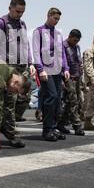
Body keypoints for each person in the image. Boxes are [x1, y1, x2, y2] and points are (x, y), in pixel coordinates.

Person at [0, 0, 35, 147]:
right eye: (17, 11)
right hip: (8, 67)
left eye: (22, 12)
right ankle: (11, 133)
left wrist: (30, 62)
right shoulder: (2, 22)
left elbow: (26, 45)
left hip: (23, 66)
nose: (20, 14)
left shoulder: (23, 24)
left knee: (25, 98)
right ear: (10, 7)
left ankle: (6, 124)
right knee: (10, 101)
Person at [32, 8, 70, 142]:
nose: (56, 21)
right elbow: (36, 52)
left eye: (58, 19)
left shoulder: (58, 33)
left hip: (57, 71)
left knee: (57, 99)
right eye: (55, 18)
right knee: (51, 97)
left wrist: (66, 68)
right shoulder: (39, 31)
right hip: (45, 71)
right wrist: (40, 69)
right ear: (48, 16)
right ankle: (47, 130)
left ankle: (53, 128)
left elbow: (62, 53)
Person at [57, 29, 86, 136]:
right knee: (73, 100)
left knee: (73, 101)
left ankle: (60, 123)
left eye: (77, 40)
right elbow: (61, 63)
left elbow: (78, 61)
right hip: (66, 76)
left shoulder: (77, 47)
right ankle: (77, 125)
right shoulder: (63, 46)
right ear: (69, 36)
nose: (75, 42)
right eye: (74, 40)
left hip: (77, 76)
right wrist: (61, 80)